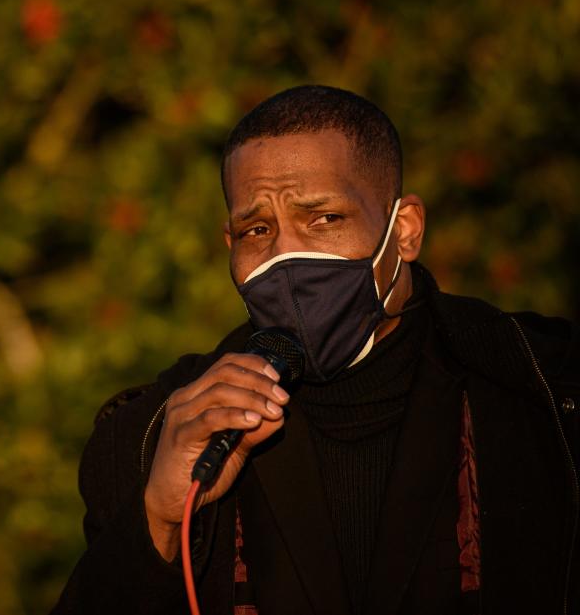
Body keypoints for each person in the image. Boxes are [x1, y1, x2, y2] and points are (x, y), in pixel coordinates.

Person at [51, 86, 580, 615]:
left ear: (404, 231)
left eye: (323, 219)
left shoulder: (548, 391)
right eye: (257, 229)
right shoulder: (157, 434)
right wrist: (160, 521)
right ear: (229, 244)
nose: (285, 254)